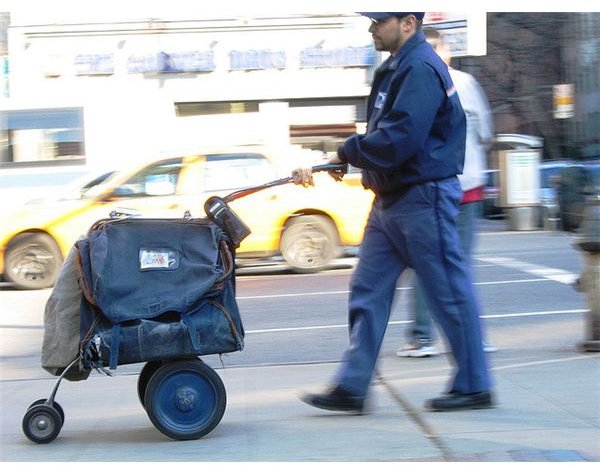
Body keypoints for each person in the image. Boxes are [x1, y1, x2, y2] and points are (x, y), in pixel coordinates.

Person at [292, 12, 493, 413]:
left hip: (422, 197)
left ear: (407, 23)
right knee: (367, 290)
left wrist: (348, 151)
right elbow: (387, 138)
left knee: (447, 292)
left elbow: (401, 137)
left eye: (378, 21)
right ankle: (352, 386)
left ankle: (473, 384)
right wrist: (351, 158)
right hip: (390, 199)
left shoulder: (419, 67)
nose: (371, 28)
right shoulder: (396, 67)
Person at [397, 27, 497, 358]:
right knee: (458, 267)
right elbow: (485, 133)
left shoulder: (414, 80)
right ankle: (470, 338)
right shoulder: (466, 84)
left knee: (427, 265)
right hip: (466, 188)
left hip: (435, 189)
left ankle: (423, 338)